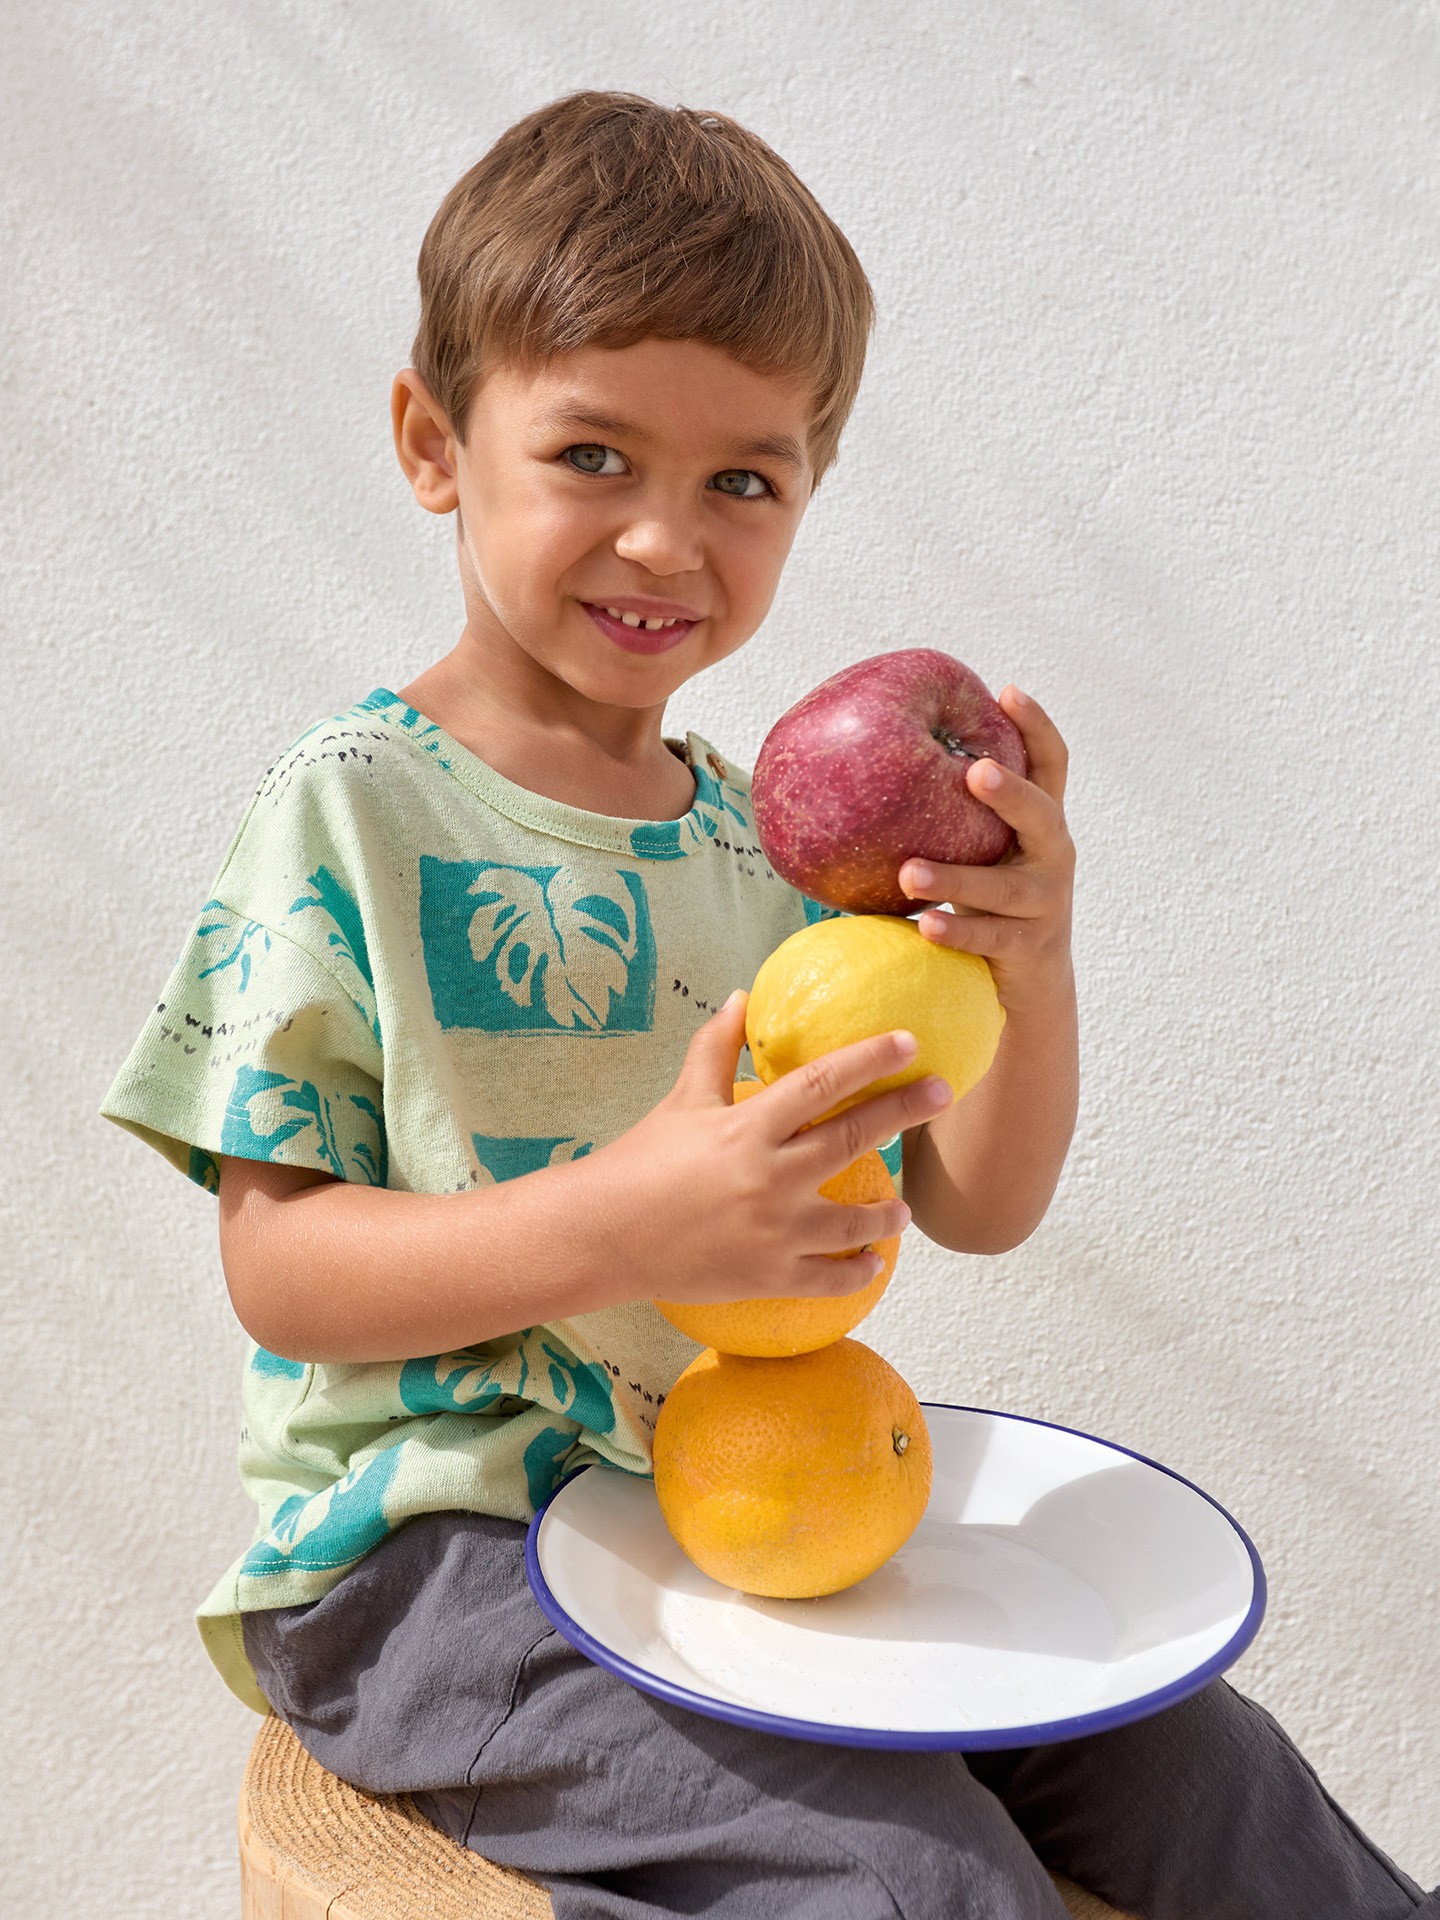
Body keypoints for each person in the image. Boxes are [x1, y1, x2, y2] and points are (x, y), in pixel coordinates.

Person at [101, 90, 1431, 1920]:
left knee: (1211, 1772)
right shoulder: (353, 807)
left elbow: (975, 1198)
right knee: (913, 1884)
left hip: (726, 1515)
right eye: (593, 455)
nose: (666, 540)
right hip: (424, 1565)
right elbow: (281, 1270)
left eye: (742, 482)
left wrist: (1030, 958)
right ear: (433, 443)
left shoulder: (773, 844)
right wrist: (630, 1218)